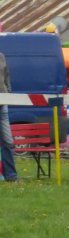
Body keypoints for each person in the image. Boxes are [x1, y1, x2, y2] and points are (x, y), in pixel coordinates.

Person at [0, 51, 18, 182]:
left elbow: (6, 76)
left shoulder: (1, 56)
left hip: (2, 103)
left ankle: (11, 176)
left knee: (8, 141)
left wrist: (9, 93)